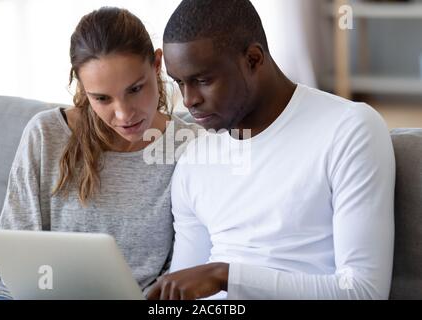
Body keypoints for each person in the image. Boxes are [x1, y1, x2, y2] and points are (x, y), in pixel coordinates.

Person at [147, 0, 395, 300]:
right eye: (179, 83)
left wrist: (224, 276)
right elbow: (179, 295)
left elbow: (363, 292)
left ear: (253, 59)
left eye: (202, 80)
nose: (188, 100)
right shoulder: (195, 158)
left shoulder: (349, 129)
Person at [0, 7, 199, 300]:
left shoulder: (189, 147)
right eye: (102, 98)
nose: (123, 114)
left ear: (157, 65)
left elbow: (184, 267)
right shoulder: (45, 134)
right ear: (83, 88)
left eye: (135, 89)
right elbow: (15, 248)